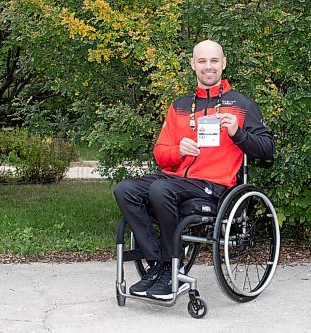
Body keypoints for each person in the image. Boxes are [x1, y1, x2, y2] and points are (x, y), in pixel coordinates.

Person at [114, 40, 275, 300]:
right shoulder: (179, 106)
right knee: (125, 189)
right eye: (202, 61)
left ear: (223, 63)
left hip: (215, 185)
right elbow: (160, 154)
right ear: (193, 64)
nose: (208, 67)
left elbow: (267, 150)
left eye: (213, 61)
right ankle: (159, 264)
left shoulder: (242, 105)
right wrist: (178, 150)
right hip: (176, 179)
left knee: (161, 188)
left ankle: (168, 267)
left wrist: (237, 133)